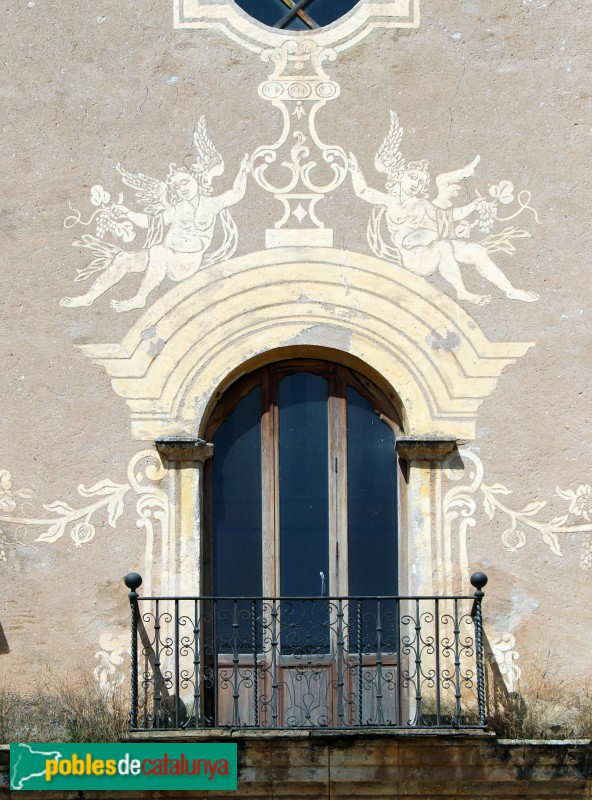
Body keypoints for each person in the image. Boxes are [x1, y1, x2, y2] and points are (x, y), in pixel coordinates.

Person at [349, 123, 539, 305]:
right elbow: (363, 191)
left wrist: (474, 205)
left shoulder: (424, 204)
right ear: (400, 177)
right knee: (443, 246)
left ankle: (510, 290)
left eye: (421, 181)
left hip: (435, 246)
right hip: (417, 257)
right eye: (413, 177)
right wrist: (355, 169)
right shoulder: (390, 201)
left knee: (478, 251)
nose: (416, 183)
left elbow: (449, 216)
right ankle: (462, 292)